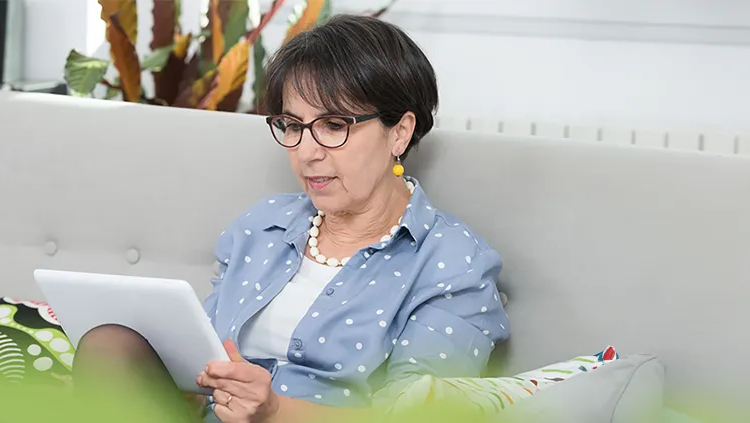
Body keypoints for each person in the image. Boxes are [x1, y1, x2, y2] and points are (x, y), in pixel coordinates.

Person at [75, 14, 511, 423]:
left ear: (398, 131)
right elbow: (202, 364)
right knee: (109, 345)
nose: (306, 151)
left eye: (334, 125)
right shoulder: (262, 226)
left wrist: (273, 409)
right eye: (292, 124)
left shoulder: (452, 262)